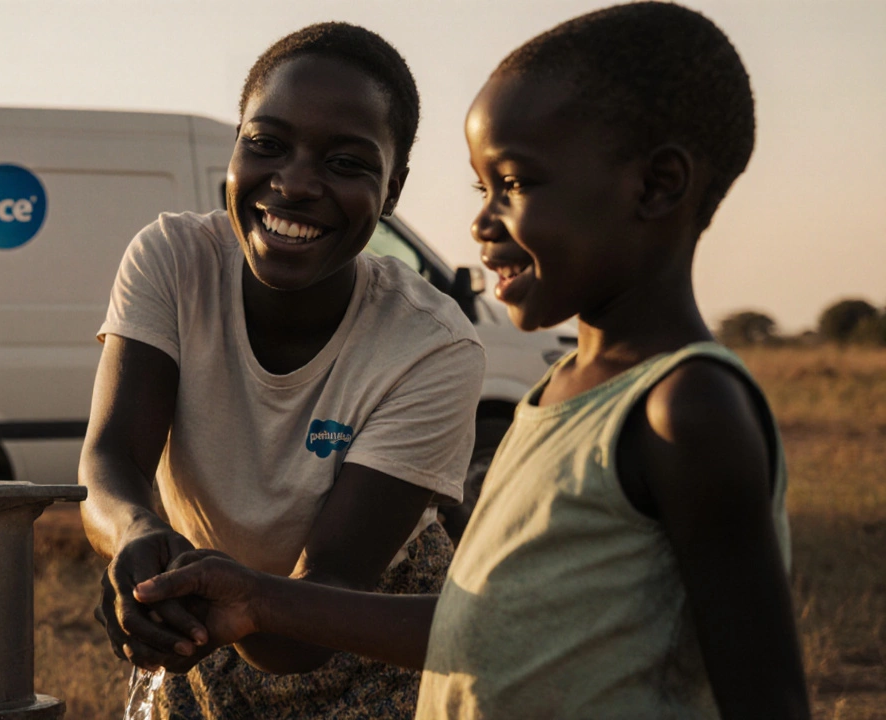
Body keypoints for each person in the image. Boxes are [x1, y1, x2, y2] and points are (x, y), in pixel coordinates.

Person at [133, 4, 811, 718]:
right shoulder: (558, 393)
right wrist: (256, 601)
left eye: (514, 184)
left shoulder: (689, 410)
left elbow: (768, 696)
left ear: (657, 185)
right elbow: (480, 625)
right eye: (479, 188)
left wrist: (266, 600)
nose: (482, 223)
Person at [79, 21, 486, 720]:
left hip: (365, 634)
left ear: (393, 189)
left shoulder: (430, 344)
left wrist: (200, 599)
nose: (294, 184)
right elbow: (110, 460)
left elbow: (314, 612)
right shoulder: (174, 260)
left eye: (346, 162)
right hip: (203, 612)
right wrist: (139, 538)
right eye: (266, 145)